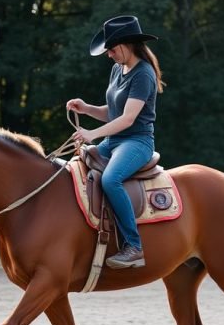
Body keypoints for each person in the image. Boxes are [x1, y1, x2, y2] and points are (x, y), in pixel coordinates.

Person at [67, 15, 164, 269]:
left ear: (126, 44)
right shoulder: (117, 69)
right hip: (114, 140)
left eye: (111, 49)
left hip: (137, 141)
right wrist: (87, 108)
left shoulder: (144, 74)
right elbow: (113, 112)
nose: (109, 54)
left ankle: (134, 246)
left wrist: (92, 134)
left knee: (111, 179)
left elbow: (128, 119)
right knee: (78, 165)